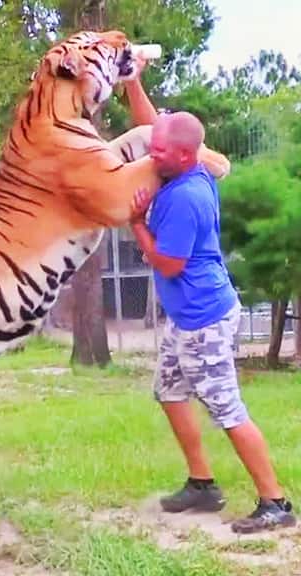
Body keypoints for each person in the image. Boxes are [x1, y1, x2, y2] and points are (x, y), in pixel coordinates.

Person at [119, 68, 295, 534]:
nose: (151, 155)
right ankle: (202, 485)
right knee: (170, 392)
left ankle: (276, 503)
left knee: (227, 408)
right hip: (186, 316)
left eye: (160, 152)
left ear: (184, 154)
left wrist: (136, 222)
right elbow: (153, 125)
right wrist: (133, 83)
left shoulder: (184, 198)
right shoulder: (180, 159)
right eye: (152, 147)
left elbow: (168, 263)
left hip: (203, 318)